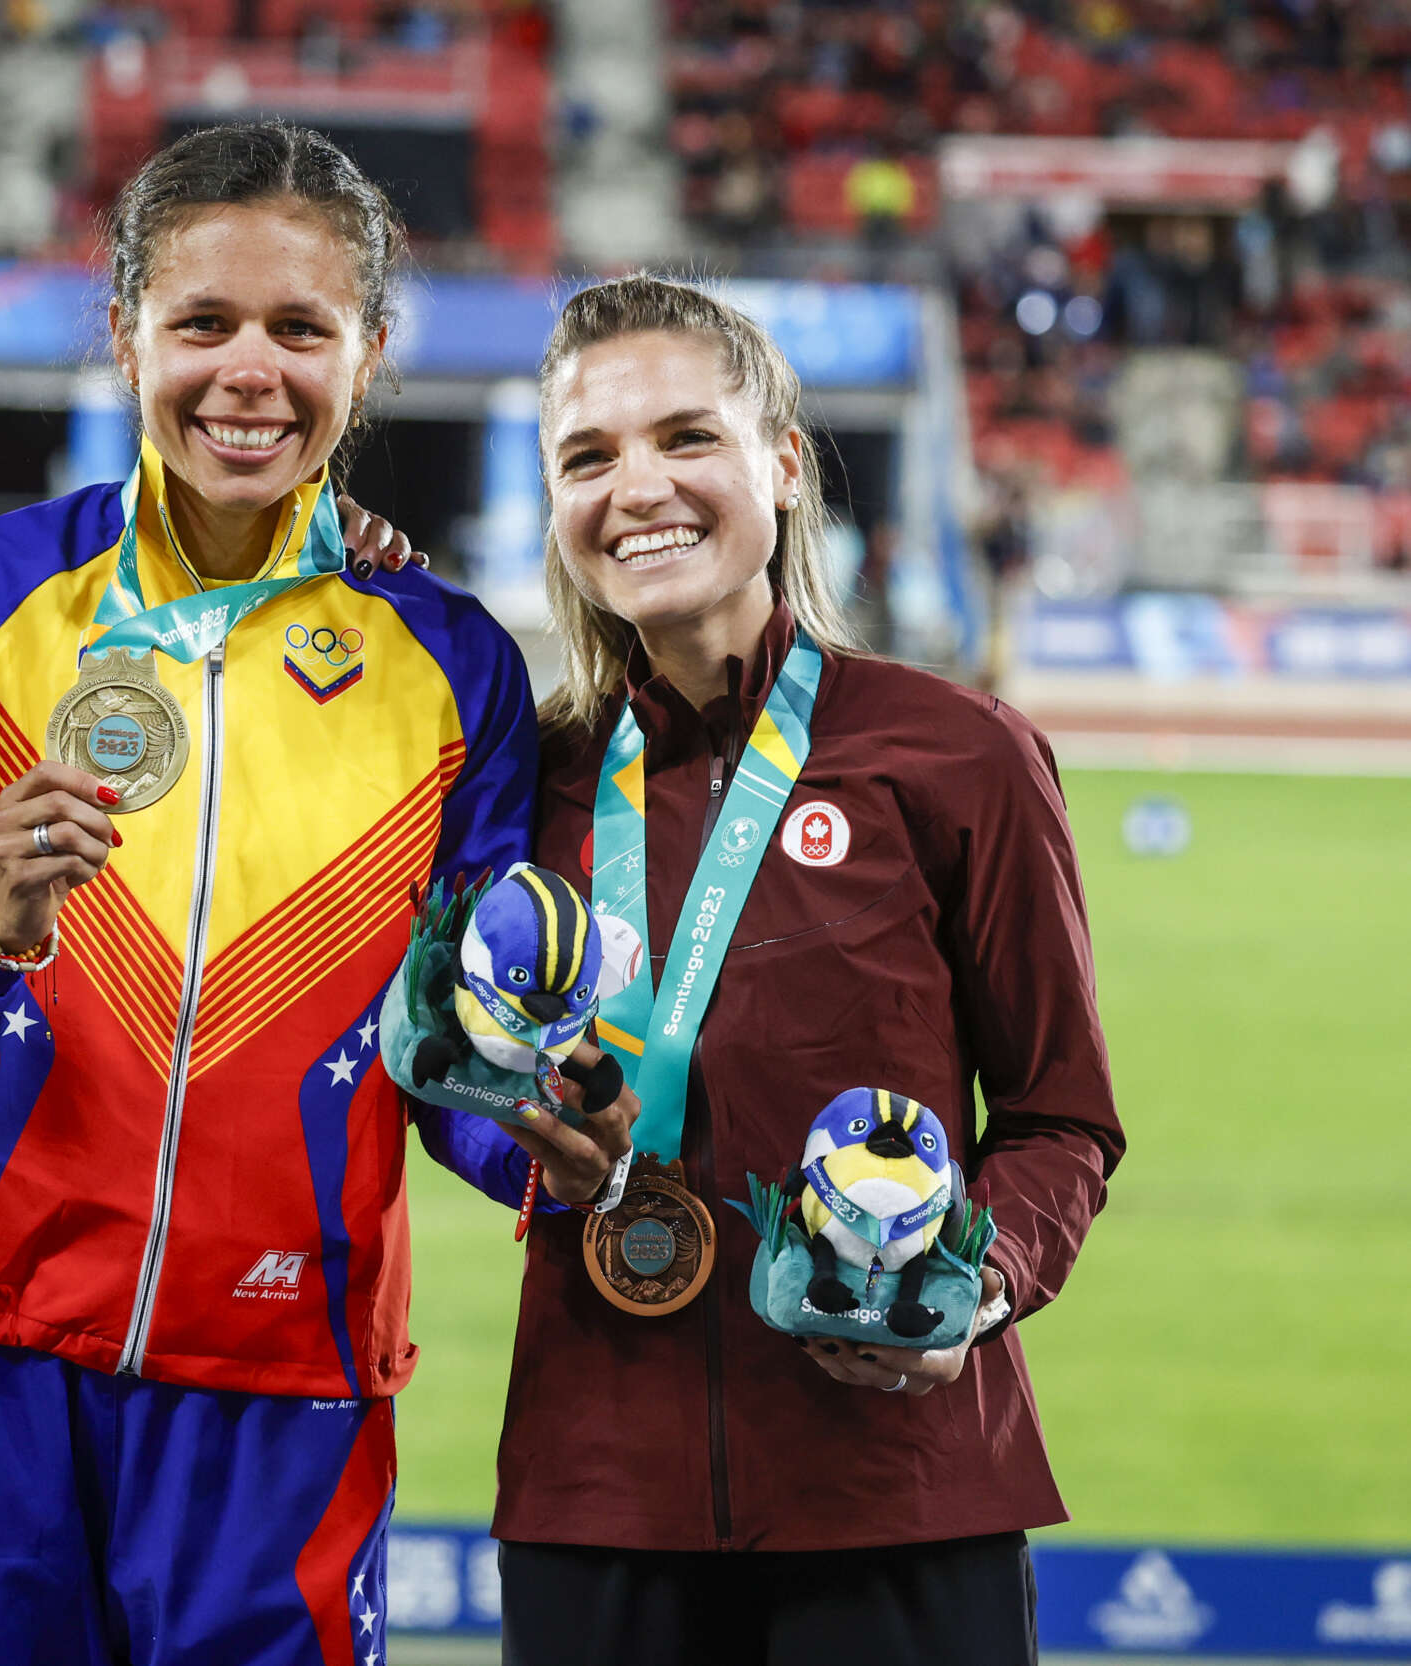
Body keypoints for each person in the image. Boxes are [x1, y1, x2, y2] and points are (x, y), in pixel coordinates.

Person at [0, 121, 538, 1666]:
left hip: (288, 1372)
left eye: (302, 328)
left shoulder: (453, 663)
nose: (248, 373)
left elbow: (462, 1070)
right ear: (122, 333)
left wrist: (568, 1154)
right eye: (201, 322)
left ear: (370, 351)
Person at [481, 274, 1124, 1665]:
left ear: (781, 457)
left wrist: (972, 1279)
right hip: (599, 1497)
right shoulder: (525, 785)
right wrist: (521, 1137)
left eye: (685, 437)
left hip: (897, 1483)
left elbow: (1063, 1118)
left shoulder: (959, 755)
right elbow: (443, 1077)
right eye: (586, 457)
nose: (637, 486)